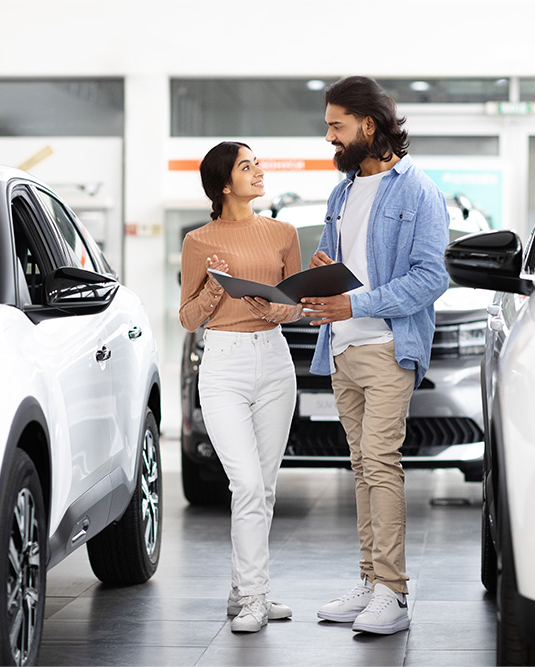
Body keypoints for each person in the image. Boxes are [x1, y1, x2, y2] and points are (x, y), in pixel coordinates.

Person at [299, 76, 450, 635]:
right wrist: (324, 268)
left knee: (382, 464)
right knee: (362, 467)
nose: (330, 138)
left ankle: (393, 591)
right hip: (340, 348)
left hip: (388, 347)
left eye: (337, 126)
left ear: (369, 125)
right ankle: (369, 582)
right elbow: (349, 267)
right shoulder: (342, 193)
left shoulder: (418, 191)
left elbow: (431, 277)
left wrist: (354, 300)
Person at [179, 141, 304, 633]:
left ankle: (242, 590)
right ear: (224, 183)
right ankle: (256, 596)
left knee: (264, 488)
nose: (259, 171)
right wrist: (214, 288)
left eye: (258, 164)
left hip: (275, 359)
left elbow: (296, 303)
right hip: (224, 362)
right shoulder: (197, 241)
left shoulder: (284, 233)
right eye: (247, 166)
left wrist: (277, 310)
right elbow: (188, 318)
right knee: (246, 483)